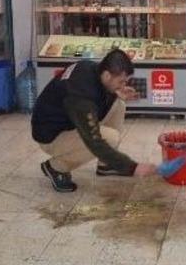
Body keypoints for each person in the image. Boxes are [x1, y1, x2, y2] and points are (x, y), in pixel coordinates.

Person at [31, 49, 156, 192]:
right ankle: (55, 167)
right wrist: (133, 168)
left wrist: (116, 92)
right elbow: (93, 141)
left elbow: (97, 96)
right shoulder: (80, 97)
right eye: (120, 82)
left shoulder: (92, 68)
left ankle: (105, 165)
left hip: (69, 122)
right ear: (108, 75)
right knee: (109, 138)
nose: (123, 85)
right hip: (51, 137)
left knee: (118, 104)